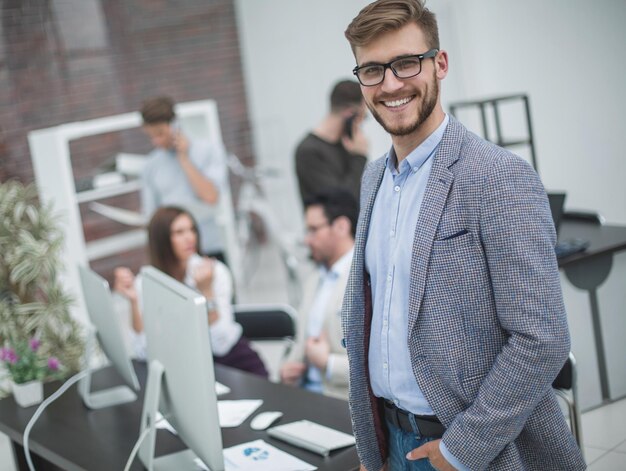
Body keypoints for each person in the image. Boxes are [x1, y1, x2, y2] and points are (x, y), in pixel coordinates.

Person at [341, 1, 586, 470]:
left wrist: (460, 450)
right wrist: (373, 444)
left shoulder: (498, 177)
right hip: (391, 439)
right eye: (373, 69)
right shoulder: (373, 179)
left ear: (440, 64)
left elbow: (543, 338)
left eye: (406, 63)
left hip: (471, 448)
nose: (390, 84)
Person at [113, 206, 268, 377]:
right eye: (179, 232)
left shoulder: (215, 271)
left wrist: (207, 292)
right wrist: (134, 302)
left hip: (233, 363)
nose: (189, 238)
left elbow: (221, 345)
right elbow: (143, 352)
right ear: (162, 240)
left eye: (192, 230)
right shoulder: (146, 282)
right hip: (186, 369)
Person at [279, 188, 358, 399]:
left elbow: (383, 368)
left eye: (314, 230)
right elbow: (300, 341)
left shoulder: (365, 280)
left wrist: (328, 364)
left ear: (341, 226)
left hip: (342, 404)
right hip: (304, 395)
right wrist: (287, 369)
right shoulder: (314, 279)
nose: (307, 239)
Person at [140, 96, 227, 261]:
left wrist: (184, 158)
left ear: (175, 125)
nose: (157, 141)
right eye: (151, 136)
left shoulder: (208, 150)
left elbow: (211, 196)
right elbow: (151, 217)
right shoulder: (150, 166)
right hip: (174, 257)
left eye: (160, 134)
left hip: (209, 248)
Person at [294, 80, 369, 206]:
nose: (361, 124)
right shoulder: (308, 152)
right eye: (363, 117)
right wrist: (359, 158)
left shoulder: (348, 146)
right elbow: (342, 202)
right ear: (350, 114)